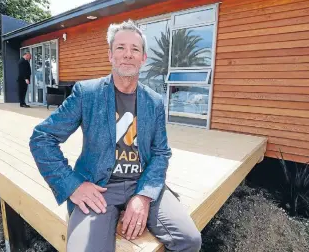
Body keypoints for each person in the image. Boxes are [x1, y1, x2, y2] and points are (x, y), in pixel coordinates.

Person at [29, 19, 202, 252]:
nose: (127, 54)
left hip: (142, 182)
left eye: (135, 49)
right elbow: (42, 138)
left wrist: (144, 195)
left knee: (190, 240)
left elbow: (161, 152)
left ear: (144, 58)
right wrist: (72, 185)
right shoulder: (86, 93)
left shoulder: (154, 101)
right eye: (120, 48)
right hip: (99, 186)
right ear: (110, 55)